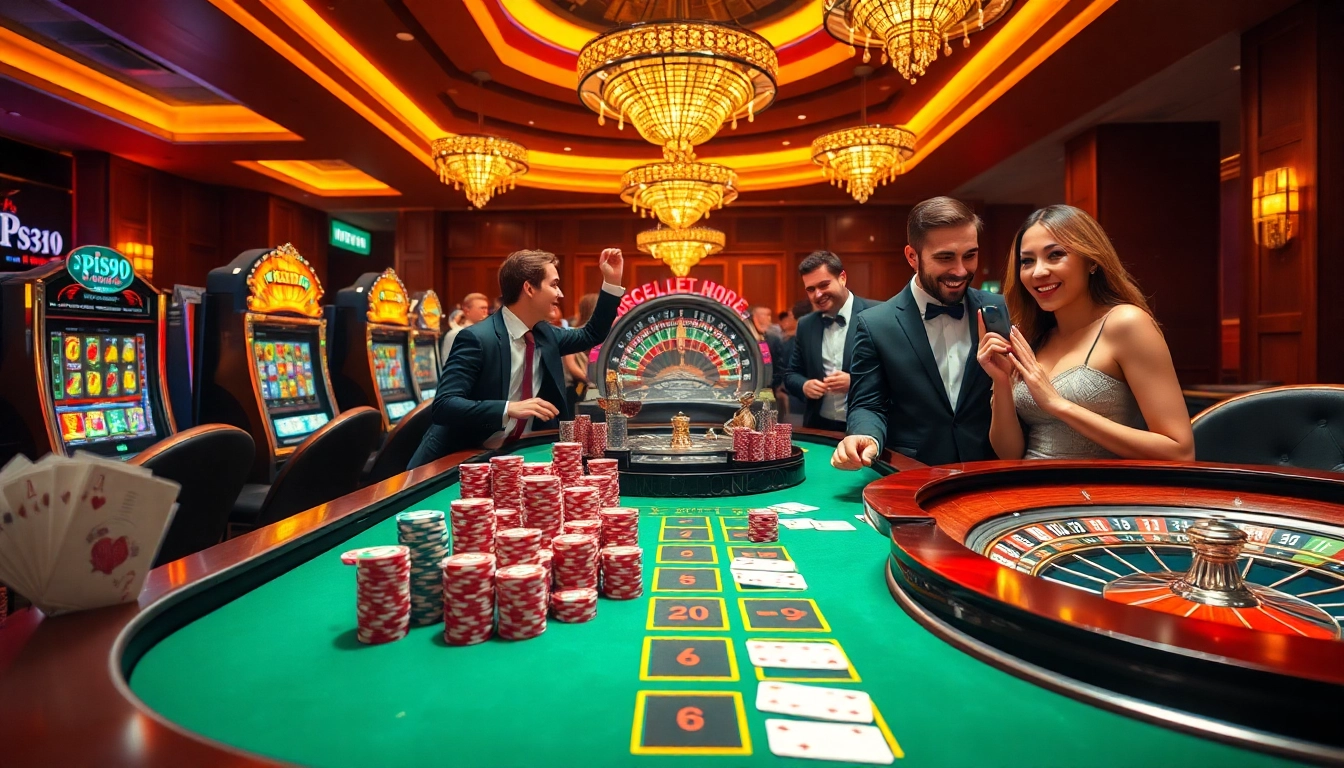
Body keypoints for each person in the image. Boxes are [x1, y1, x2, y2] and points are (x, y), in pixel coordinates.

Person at [976, 205, 1193, 461]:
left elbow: (1180, 452)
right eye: (1027, 261)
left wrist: (1058, 405)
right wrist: (1001, 381)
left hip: (1098, 485)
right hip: (1026, 482)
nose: (1039, 271)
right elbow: (1009, 454)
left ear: (1091, 261)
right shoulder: (1034, 337)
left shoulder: (1126, 323)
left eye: (1055, 255)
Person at [833, 197, 1007, 469]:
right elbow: (868, 404)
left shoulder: (999, 308)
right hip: (914, 471)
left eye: (970, 255)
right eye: (945, 257)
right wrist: (865, 435)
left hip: (989, 468)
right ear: (912, 257)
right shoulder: (875, 324)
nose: (961, 270)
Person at [409, 249, 624, 469]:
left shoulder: (546, 335)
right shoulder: (477, 338)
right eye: (554, 285)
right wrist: (508, 408)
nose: (560, 294)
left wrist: (611, 282)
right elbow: (444, 405)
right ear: (529, 288)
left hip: (514, 456)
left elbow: (591, 335)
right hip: (457, 460)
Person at [784, 252, 880, 431]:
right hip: (819, 426)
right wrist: (804, 385)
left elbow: (897, 376)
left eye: (824, 285)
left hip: (865, 428)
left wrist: (854, 381)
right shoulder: (805, 325)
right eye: (810, 289)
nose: (818, 294)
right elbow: (791, 374)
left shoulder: (877, 315)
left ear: (842, 278)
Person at [563, 292, 599, 412]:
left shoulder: (575, 333)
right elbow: (571, 366)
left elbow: (571, 365)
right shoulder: (574, 334)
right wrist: (590, 380)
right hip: (580, 389)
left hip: (587, 386)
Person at [441, 292, 490, 359]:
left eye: (486, 308)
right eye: (482, 308)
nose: (485, 312)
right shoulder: (456, 334)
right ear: (467, 311)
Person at [749, 305, 786, 391]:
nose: (769, 319)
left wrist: (774, 384)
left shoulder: (773, 338)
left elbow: (779, 365)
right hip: (749, 385)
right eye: (765, 315)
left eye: (769, 315)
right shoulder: (746, 337)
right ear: (755, 317)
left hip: (768, 385)